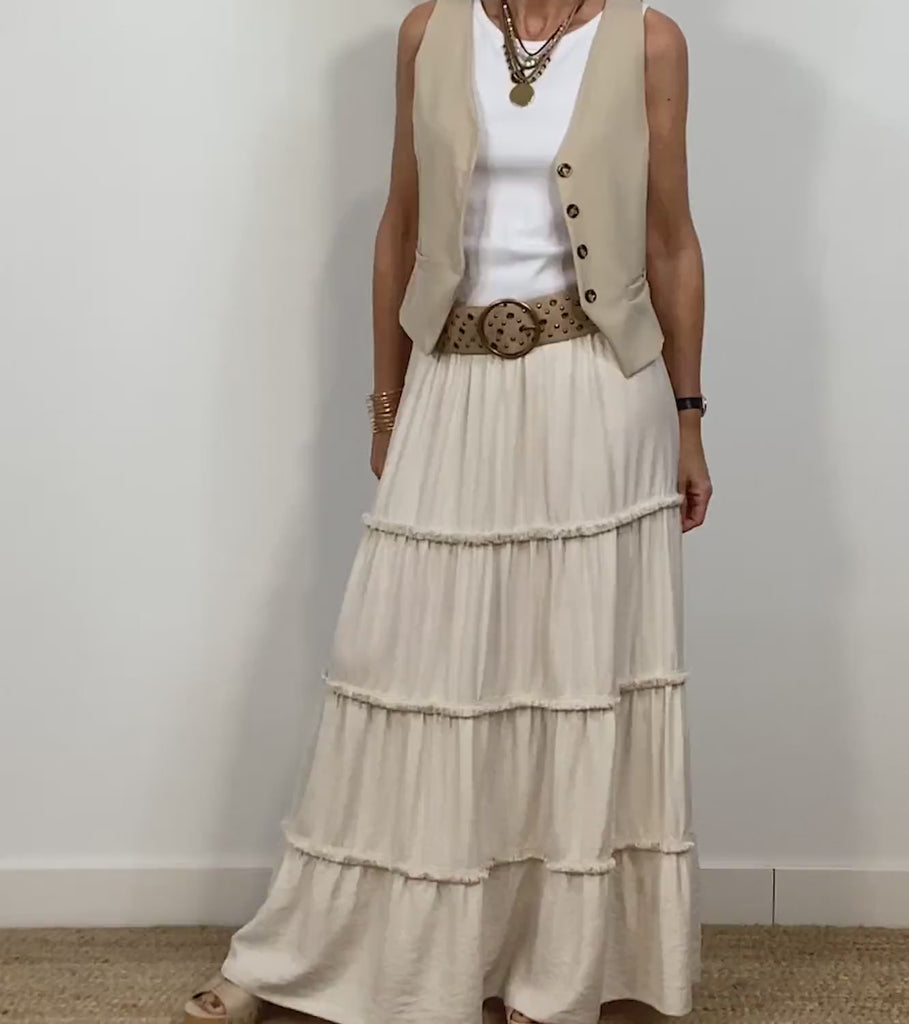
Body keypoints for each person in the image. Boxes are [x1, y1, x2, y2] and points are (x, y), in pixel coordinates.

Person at [184, 1, 710, 1022]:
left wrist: (689, 418)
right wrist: (387, 403)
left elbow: (671, 242)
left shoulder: (649, 40)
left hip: (595, 387)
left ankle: (554, 974)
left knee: (572, 676)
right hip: (453, 377)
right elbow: (399, 225)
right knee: (408, 664)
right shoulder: (429, 30)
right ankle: (328, 949)